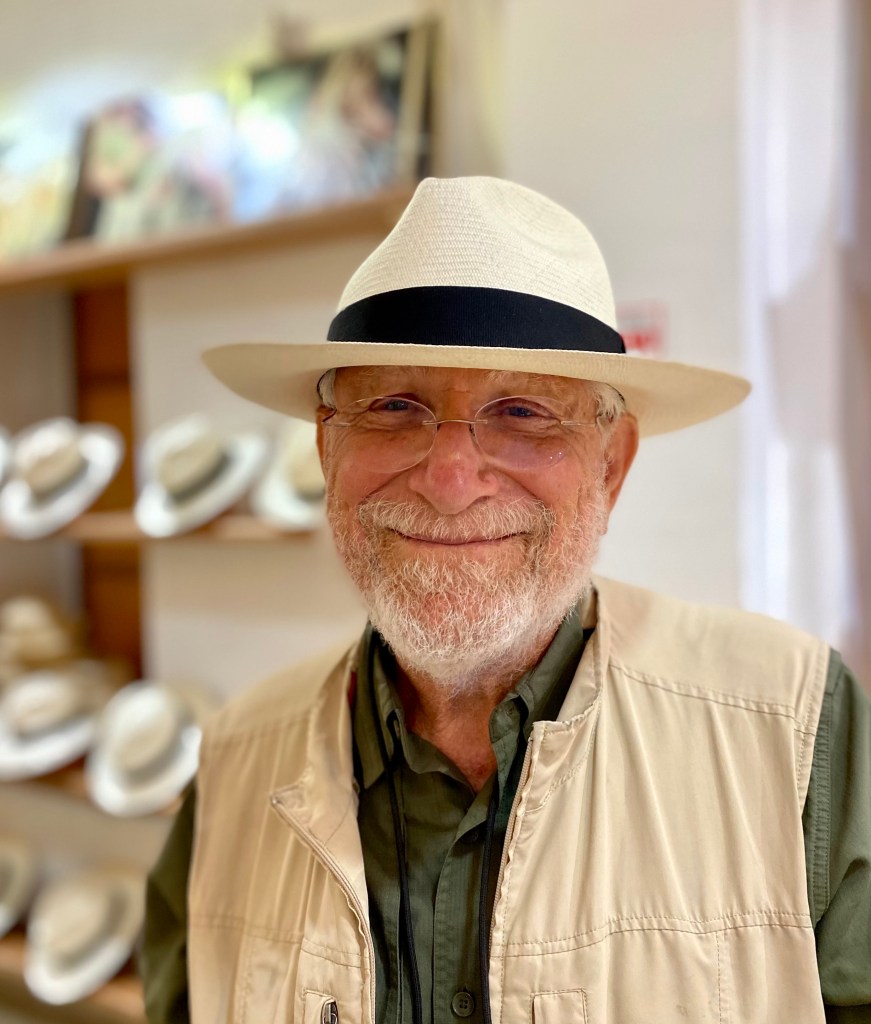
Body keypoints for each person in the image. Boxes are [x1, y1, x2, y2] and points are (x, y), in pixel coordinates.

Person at [141, 176, 871, 1024]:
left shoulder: (789, 725)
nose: (450, 481)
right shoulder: (236, 758)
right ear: (326, 448)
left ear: (610, 465)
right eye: (394, 406)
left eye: (522, 412)